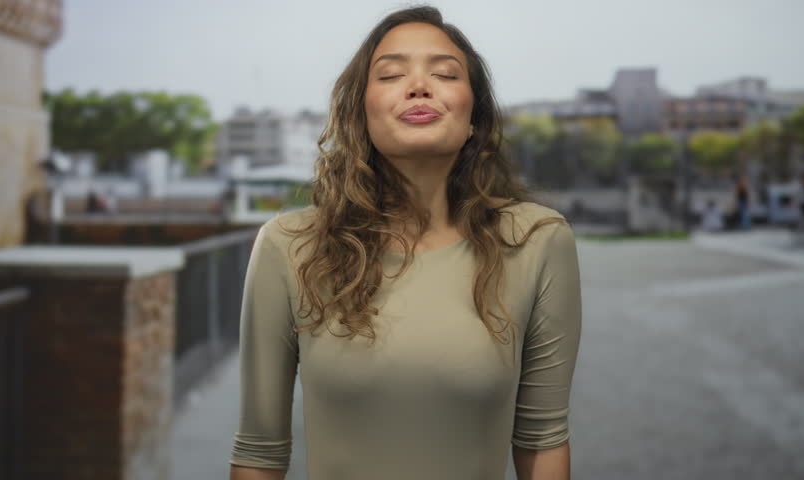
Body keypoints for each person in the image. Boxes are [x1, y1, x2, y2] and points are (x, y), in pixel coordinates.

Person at [229, 7, 582, 480]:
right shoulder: (288, 246)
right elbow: (259, 451)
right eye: (392, 74)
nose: (419, 85)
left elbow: (542, 439)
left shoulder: (537, 240)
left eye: (444, 73)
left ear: (473, 118)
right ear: (361, 113)